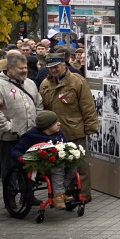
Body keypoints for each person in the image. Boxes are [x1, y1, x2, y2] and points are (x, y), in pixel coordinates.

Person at [38, 53, 98, 203]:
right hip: (53, 133)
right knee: (59, 165)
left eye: (56, 66)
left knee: (80, 164)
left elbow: (88, 106)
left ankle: (83, 194)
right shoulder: (45, 84)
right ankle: (63, 193)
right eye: (50, 67)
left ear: (64, 65)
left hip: (74, 130)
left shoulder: (77, 81)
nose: (53, 70)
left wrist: (90, 127)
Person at [0, 50, 43, 182]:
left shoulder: (30, 84)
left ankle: (29, 196)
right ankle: (11, 199)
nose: (25, 70)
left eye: (25, 67)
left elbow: (39, 103)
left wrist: (37, 123)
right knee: (10, 170)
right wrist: (8, 127)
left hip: (30, 135)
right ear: (10, 68)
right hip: (9, 138)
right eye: (21, 68)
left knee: (30, 169)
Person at [12, 111, 77, 209]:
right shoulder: (31, 136)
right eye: (56, 123)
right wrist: (22, 158)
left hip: (60, 162)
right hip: (42, 167)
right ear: (47, 126)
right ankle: (58, 196)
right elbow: (15, 150)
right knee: (58, 168)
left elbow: (66, 145)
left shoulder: (59, 133)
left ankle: (59, 193)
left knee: (74, 165)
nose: (59, 123)